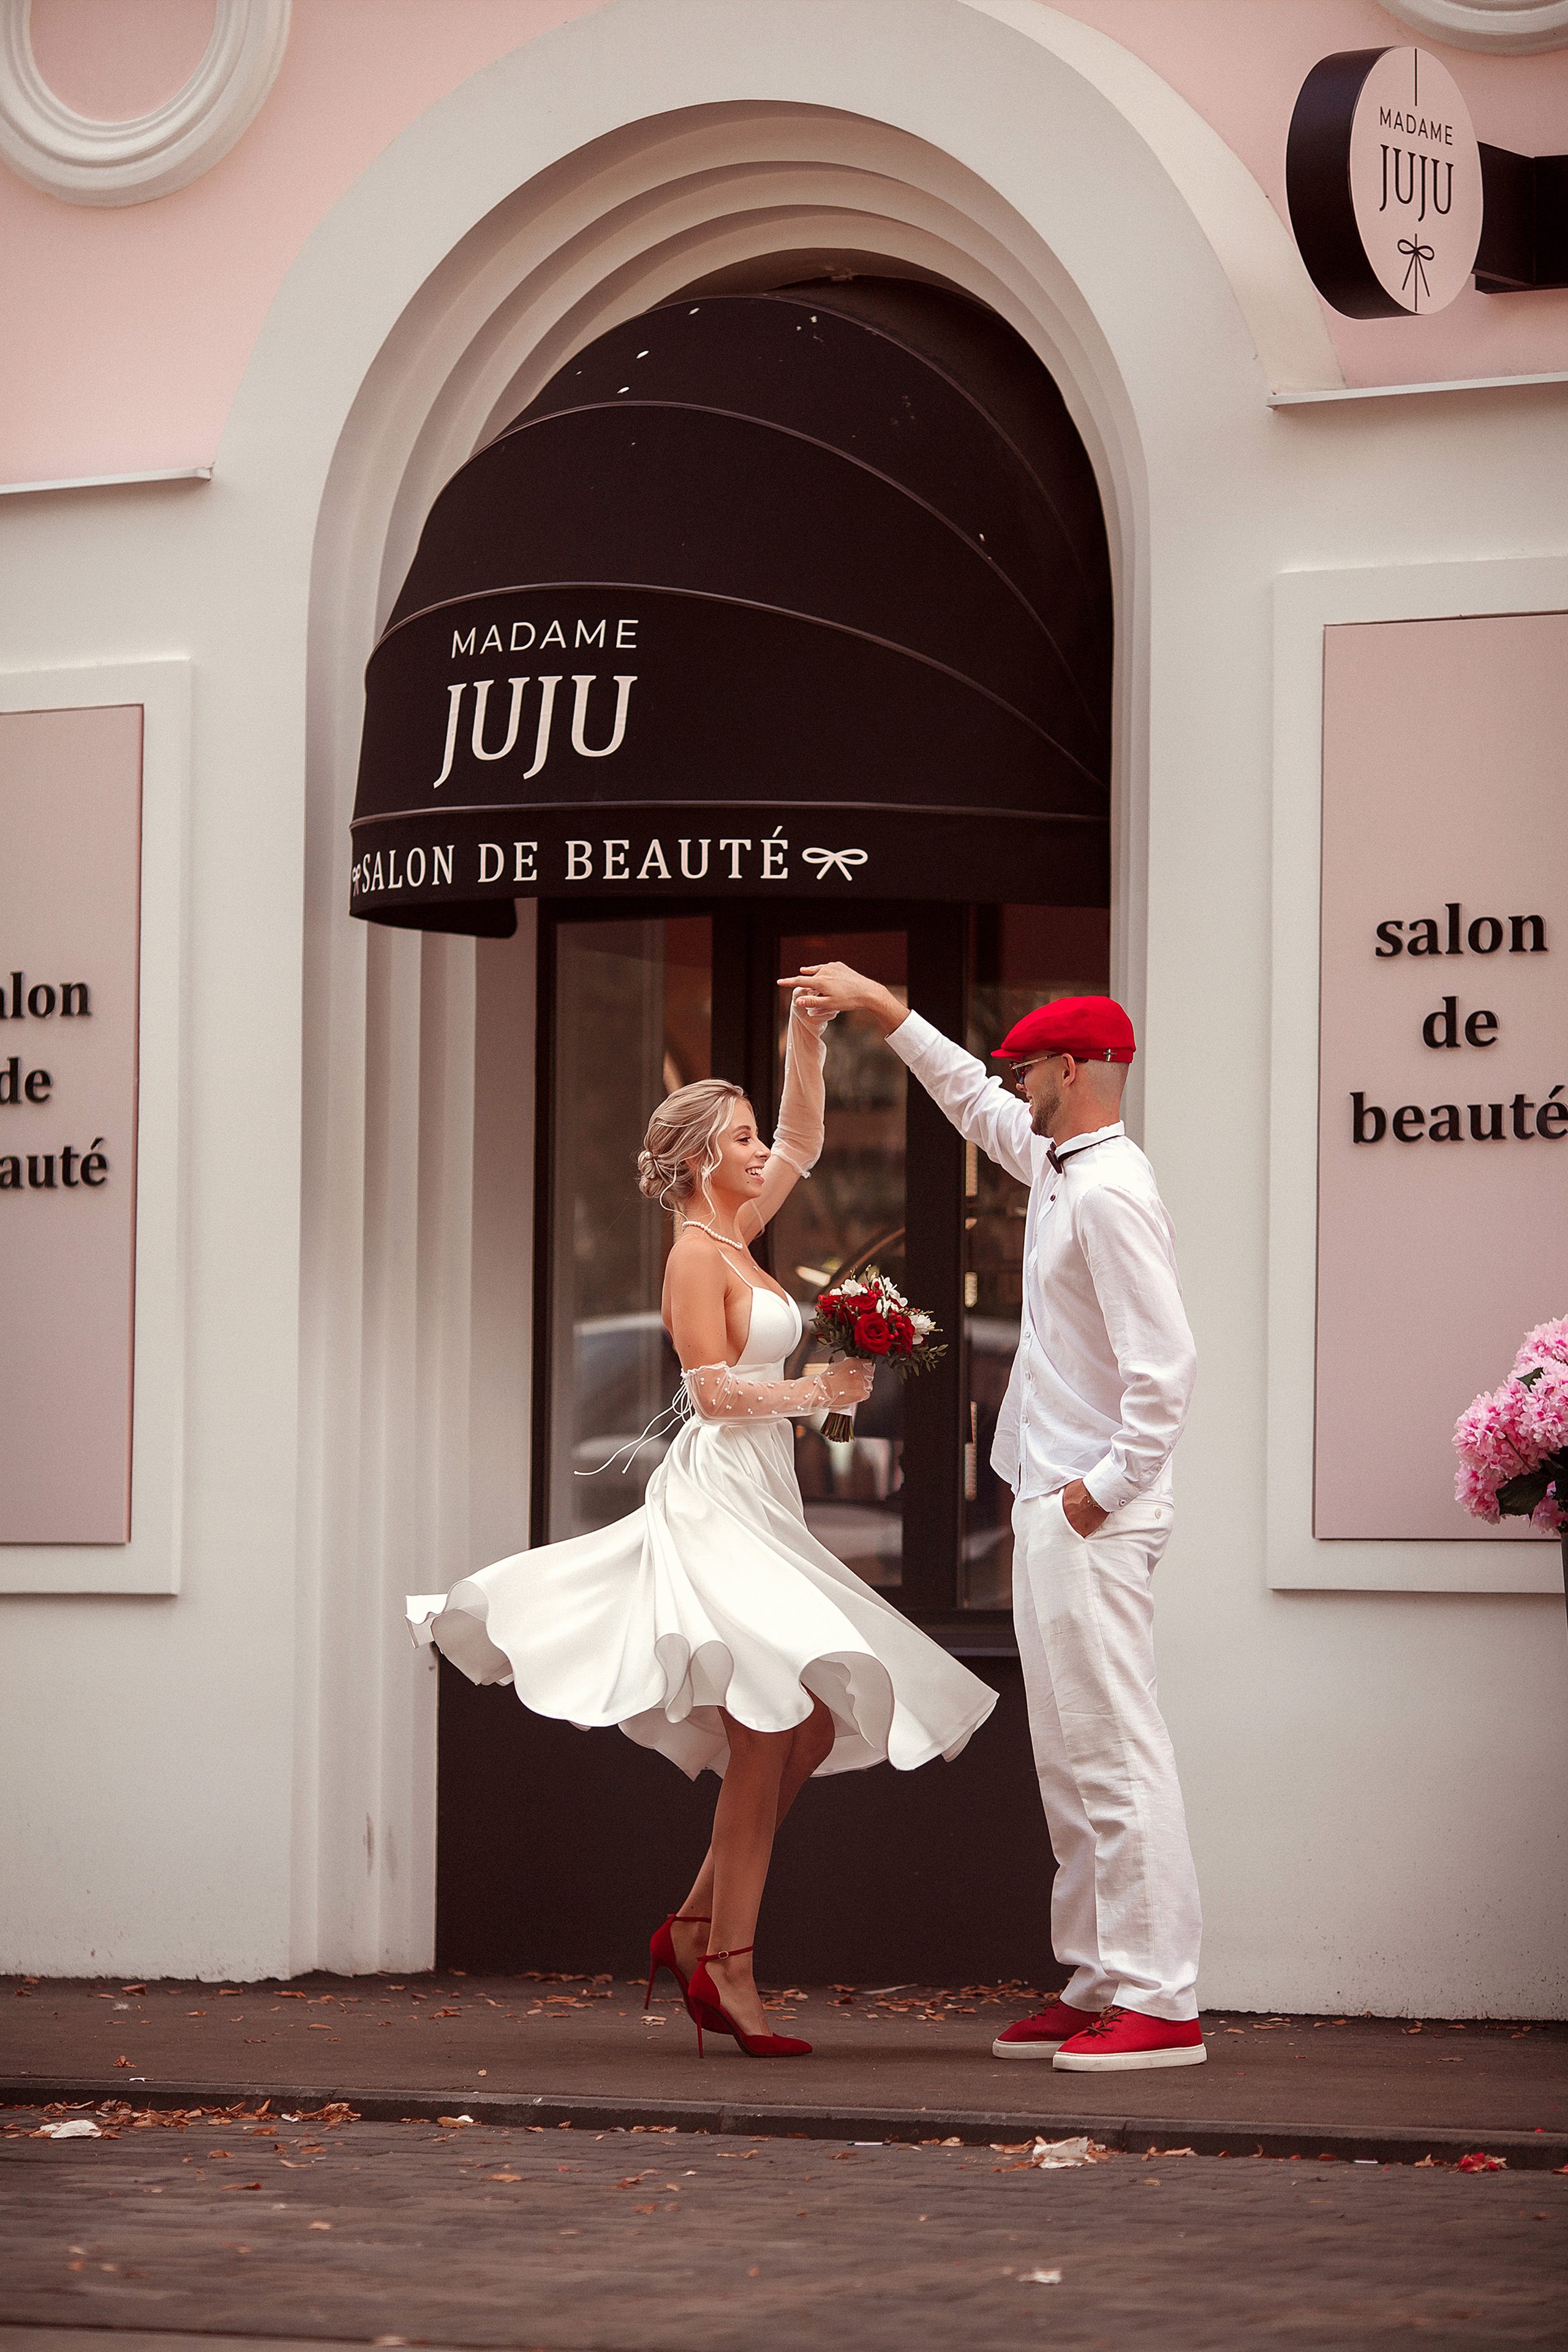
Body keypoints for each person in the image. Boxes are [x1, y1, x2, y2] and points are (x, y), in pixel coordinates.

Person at [408, 993, 997, 2059]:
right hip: (716, 1494)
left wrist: (809, 1036)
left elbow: (807, 1135)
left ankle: (690, 1927)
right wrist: (818, 1390)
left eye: (754, 1136)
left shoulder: (742, 1231)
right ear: (697, 1161)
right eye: (742, 1139)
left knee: (805, 1728)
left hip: (768, 1494)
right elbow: (715, 1394)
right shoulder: (694, 1255)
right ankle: (729, 1965)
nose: (762, 1151)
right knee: (769, 1725)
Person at [776, 964, 1204, 2073]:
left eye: (1027, 1070)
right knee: (1070, 1757)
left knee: (1116, 1751)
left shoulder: (1108, 1192)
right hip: (1055, 1498)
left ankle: (1160, 2000)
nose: (1013, 1083)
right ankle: (1100, 1982)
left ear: (1073, 1070)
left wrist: (1098, 1493)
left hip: (1089, 1508)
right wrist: (889, 1010)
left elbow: (1166, 1368)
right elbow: (969, 1099)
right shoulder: (1064, 1165)